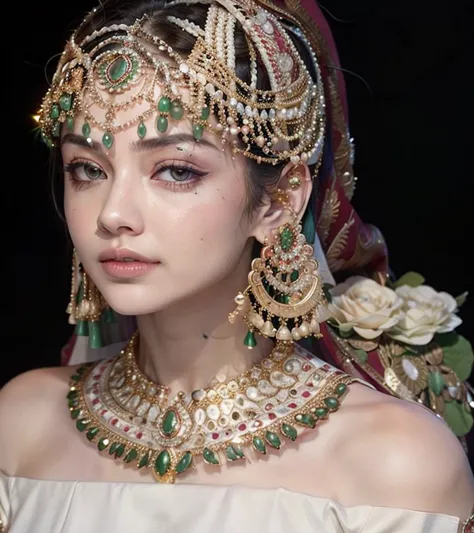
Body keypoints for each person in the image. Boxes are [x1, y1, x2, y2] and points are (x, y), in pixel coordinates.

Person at [1, 0, 473, 531]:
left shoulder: (393, 464)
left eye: (176, 171)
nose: (112, 214)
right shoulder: (21, 426)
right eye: (87, 169)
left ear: (279, 201)